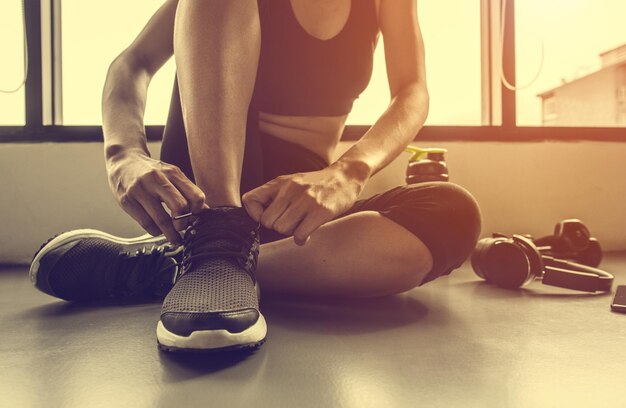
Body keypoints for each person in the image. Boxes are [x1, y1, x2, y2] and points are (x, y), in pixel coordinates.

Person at [30, 0, 481, 352]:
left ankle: (177, 266)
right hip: (212, 180)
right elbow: (131, 64)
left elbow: (413, 92)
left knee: (453, 213)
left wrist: (348, 172)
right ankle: (218, 235)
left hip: (289, 204)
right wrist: (123, 154)